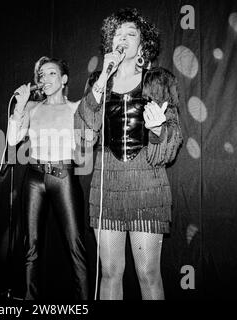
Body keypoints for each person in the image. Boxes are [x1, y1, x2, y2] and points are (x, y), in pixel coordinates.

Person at [75, 7, 183, 300]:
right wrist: (100, 82)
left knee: (148, 274)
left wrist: (158, 129)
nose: (121, 38)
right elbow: (84, 131)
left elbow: (174, 138)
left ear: (142, 43)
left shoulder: (158, 80)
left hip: (147, 183)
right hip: (107, 184)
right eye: (117, 34)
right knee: (109, 273)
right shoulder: (99, 80)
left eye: (129, 33)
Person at [8, 56, 89, 300]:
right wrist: (19, 107)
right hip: (34, 177)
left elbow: (84, 149)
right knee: (31, 246)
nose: (45, 78)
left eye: (52, 73)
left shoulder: (76, 108)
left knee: (76, 246)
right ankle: (31, 300)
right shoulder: (32, 107)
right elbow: (12, 140)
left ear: (64, 79)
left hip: (63, 176)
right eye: (42, 75)